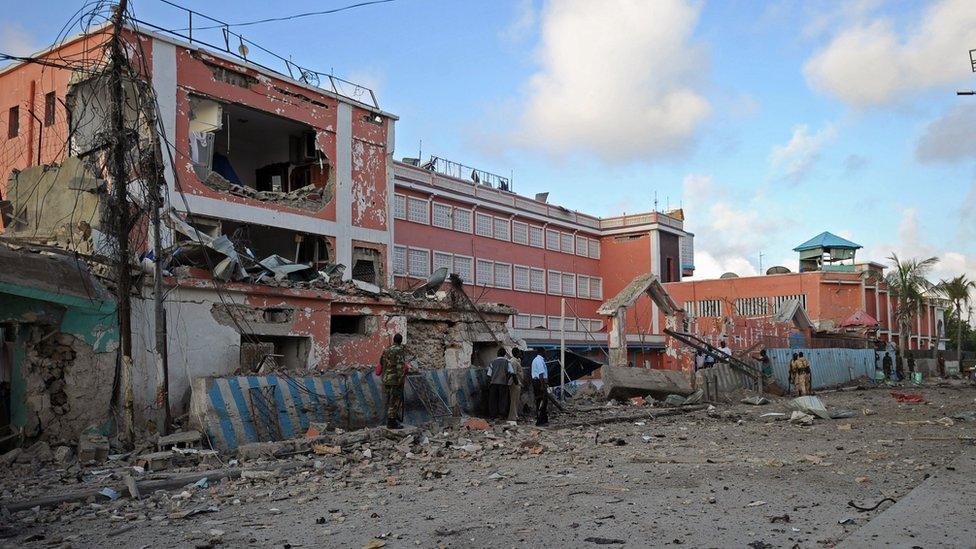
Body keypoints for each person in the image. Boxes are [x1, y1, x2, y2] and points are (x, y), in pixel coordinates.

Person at [376, 333, 408, 429]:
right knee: (394, 402)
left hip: (385, 379)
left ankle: (382, 422)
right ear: (401, 341)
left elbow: (381, 362)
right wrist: (400, 380)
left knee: (385, 401)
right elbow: (400, 366)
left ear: (394, 340)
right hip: (394, 380)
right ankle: (391, 423)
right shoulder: (399, 350)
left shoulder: (386, 349)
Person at [486, 347, 514, 420]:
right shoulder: (507, 362)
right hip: (503, 383)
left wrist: (489, 383)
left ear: (497, 353)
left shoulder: (492, 362)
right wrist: (506, 379)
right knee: (503, 399)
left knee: (493, 400)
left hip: (494, 383)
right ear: (504, 354)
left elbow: (489, 374)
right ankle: (502, 415)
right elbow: (511, 372)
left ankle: (493, 415)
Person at [530, 348, 549, 426]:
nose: (546, 353)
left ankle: (542, 419)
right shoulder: (539, 360)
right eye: (545, 352)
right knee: (543, 401)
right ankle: (541, 420)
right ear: (542, 352)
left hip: (536, 381)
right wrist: (542, 385)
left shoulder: (535, 360)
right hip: (539, 382)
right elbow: (541, 374)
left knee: (539, 401)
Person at [507, 348, 524, 422]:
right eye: (520, 353)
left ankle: (515, 416)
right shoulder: (513, 361)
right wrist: (517, 383)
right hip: (515, 383)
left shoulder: (516, 360)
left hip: (517, 383)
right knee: (514, 400)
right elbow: (513, 373)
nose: (521, 354)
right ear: (517, 353)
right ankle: (512, 417)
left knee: (516, 400)